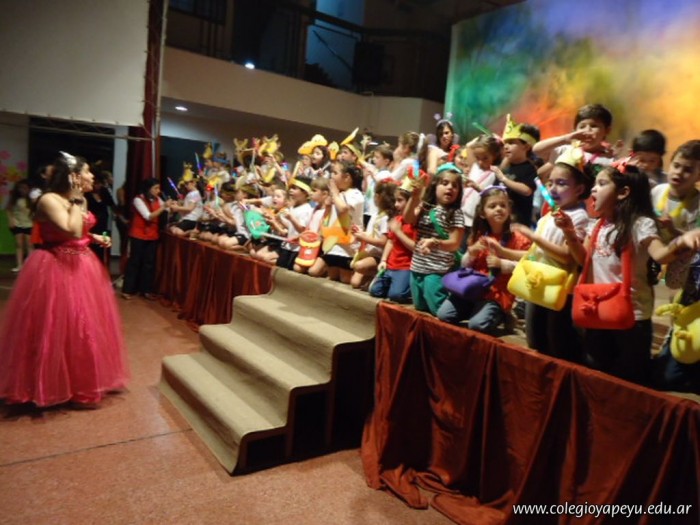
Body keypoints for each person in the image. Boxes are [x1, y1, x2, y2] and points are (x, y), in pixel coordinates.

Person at [0, 152, 129, 408]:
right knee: (56, 324)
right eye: (87, 171)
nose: (92, 176)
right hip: (55, 266)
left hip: (81, 264)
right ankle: (46, 383)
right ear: (74, 177)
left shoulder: (77, 199)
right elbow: (70, 230)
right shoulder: (50, 199)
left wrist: (94, 238)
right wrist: (78, 200)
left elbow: (80, 232)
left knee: (83, 325)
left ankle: (79, 382)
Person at [558, 163, 700, 385]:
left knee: (629, 378)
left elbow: (661, 255)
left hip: (632, 316)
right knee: (598, 371)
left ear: (623, 193)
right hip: (597, 311)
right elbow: (583, 259)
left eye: (602, 184)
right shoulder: (598, 225)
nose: (594, 189)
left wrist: (681, 241)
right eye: (595, 184)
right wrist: (569, 234)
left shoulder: (640, 224)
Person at [508, 147, 594, 361]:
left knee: (557, 342)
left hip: (559, 286)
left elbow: (567, 256)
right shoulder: (549, 214)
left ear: (579, 189)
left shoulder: (578, 217)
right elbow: (536, 253)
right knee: (535, 338)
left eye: (561, 183)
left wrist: (533, 236)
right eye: (550, 183)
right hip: (538, 281)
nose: (553, 188)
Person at [438, 185, 531, 333]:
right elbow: (465, 265)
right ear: (482, 213)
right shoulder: (479, 235)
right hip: (473, 289)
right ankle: (475, 310)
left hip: (497, 292)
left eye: (503, 205)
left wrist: (502, 264)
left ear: (509, 209)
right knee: (444, 315)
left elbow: (527, 265)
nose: (498, 209)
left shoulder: (519, 238)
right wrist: (472, 253)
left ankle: (502, 314)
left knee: (477, 325)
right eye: (492, 206)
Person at [404, 163, 465, 316]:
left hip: (437, 270)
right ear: (435, 186)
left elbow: (454, 244)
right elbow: (408, 219)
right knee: (420, 308)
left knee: (437, 310)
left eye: (455, 186)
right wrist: (414, 197)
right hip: (417, 266)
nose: (450, 188)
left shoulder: (455, 213)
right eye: (445, 183)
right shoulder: (425, 207)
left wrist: (434, 242)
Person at [308, 160, 364, 284]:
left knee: (345, 279)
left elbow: (343, 209)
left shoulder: (355, 194)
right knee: (314, 271)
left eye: (335, 173)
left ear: (347, 177)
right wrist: (328, 205)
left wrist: (334, 193)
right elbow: (327, 217)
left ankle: (363, 275)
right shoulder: (337, 194)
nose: (331, 176)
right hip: (332, 243)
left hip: (347, 247)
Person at [121, 178, 170, 300]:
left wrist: (172, 206)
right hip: (138, 234)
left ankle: (146, 290)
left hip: (152, 235)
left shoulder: (158, 199)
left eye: (158, 188)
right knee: (135, 262)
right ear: (148, 189)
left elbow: (168, 209)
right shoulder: (138, 199)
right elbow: (148, 216)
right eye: (155, 188)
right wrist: (164, 207)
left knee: (149, 263)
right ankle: (128, 289)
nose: (158, 191)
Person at [369, 185, 417, 303]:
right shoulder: (398, 219)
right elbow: (391, 241)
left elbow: (415, 248)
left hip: (405, 266)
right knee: (375, 291)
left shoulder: (415, 223)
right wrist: (384, 260)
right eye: (396, 200)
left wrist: (398, 232)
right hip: (391, 265)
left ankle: (408, 287)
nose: (396, 204)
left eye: (400, 201)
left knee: (396, 295)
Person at [350, 180, 396, 289]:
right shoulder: (376, 214)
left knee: (358, 266)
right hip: (370, 252)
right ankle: (371, 277)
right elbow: (371, 234)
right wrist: (360, 233)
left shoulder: (385, 217)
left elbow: (383, 242)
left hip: (378, 255)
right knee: (355, 283)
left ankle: (376, 273)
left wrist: (363, 237)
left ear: (378, 197)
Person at [496, 115, 541, 226]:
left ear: (526, 147)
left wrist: (504, 179)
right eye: (505, 143)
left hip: (518, 224)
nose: (506, 146)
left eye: (511, 143)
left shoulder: (529, 168)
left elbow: (527, 190)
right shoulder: (506, 167)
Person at [274, 177, 314, 270]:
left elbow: (302, 230)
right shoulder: (293, 207)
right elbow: (291, 227)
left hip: (297, 249)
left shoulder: (307, 209)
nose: (291, 190)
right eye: (291, 188)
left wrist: (291, 218)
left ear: (305, 193)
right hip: (287, 246)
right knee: (279, 270)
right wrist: (279, 220)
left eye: (295, 188)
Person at [5, 179, 33, 272]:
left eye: (24, 188)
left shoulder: (32, 199)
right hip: (18, 223)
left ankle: (30, 265)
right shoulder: (15, 199)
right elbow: (8, 209)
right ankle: (19, 265)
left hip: (29, 224)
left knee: (29, 244)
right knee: (19, 244)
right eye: (20, 188)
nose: (22, 190)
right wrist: (11, 220)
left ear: (29, 189)